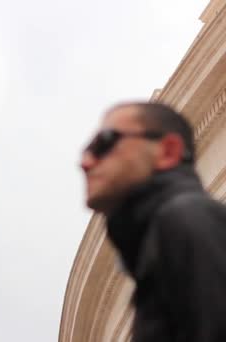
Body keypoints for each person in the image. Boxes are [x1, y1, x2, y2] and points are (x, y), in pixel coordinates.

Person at [80, 102, 226, 342]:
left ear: (168, 151)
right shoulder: (155, 245)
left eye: (104, 143)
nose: (85, 162)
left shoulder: (186, 218)